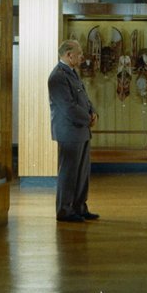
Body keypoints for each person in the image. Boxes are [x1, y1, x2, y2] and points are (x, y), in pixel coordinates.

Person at [49, 39, 98, 222]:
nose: (82, 57)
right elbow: (68, 107)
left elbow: (83, 99)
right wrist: (87, 119)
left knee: (82, 172)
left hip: (80, 130)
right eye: (79, 54)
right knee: (69, 172)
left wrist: (93, 113)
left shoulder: (72, 73)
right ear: (69, 55)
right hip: (69, 131)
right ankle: (64, 210)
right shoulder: (57, 76)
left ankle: (79, 207)